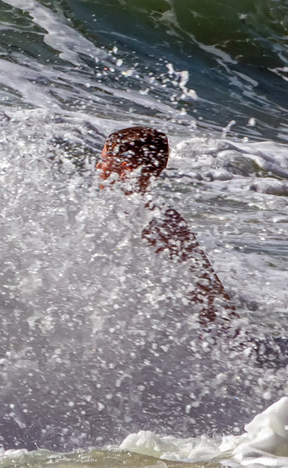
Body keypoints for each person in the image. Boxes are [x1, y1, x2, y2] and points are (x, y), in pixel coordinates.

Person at [97, 126, 235, 327]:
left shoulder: (144, 217)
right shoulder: (160, 214)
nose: (98, 168)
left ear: (126, 168)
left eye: (103, 160)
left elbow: (202, 284)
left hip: (177, 327)